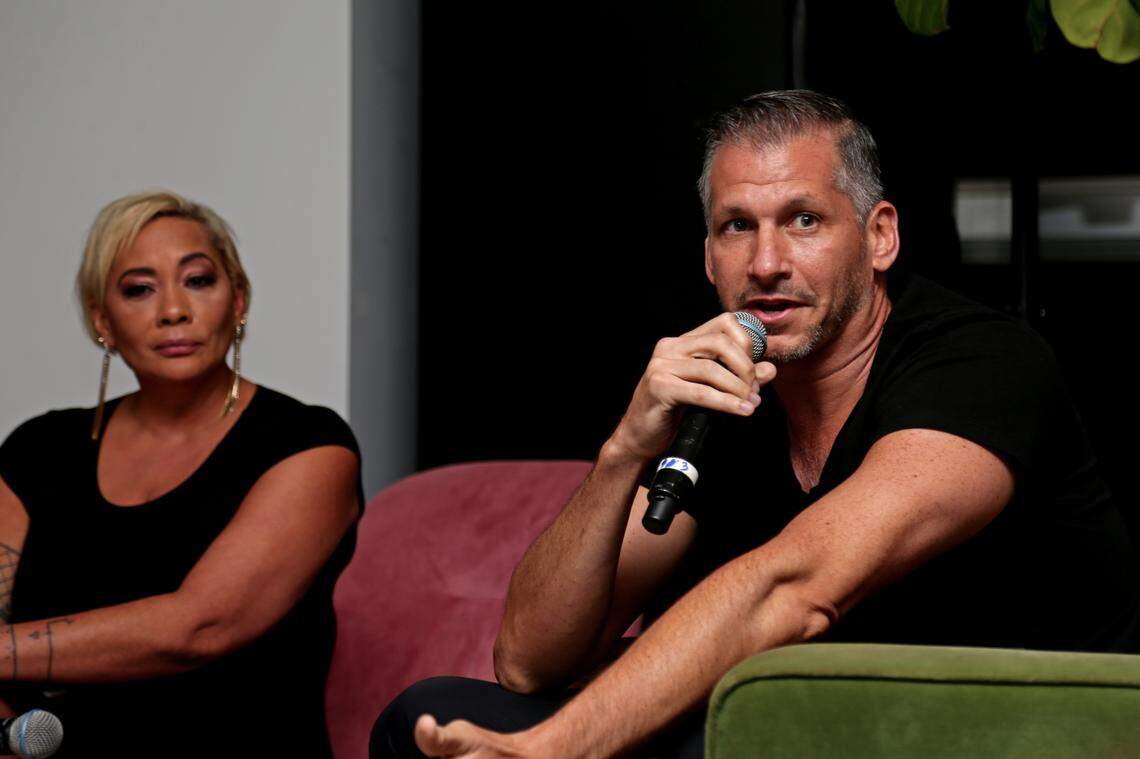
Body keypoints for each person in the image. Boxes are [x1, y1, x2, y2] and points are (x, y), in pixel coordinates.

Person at [371, 90, 1140, 759]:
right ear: (709, 255)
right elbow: (531, 660)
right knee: (429, 715)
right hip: (795, 728)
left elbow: (798, 586)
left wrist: (553, 748)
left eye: (803, 219)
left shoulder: (981, 363)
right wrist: (622, 452)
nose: (767, 261)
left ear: (880, 237)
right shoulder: (735, 392)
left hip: (1003, 734)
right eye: (737, 226)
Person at [0, 191, 361, 757]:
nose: (173, 310)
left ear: (238, 300)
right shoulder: (37, 449)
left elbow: (198, 628)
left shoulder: (310, 445)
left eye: (197, 280)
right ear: (103, 320)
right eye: (139, 289)